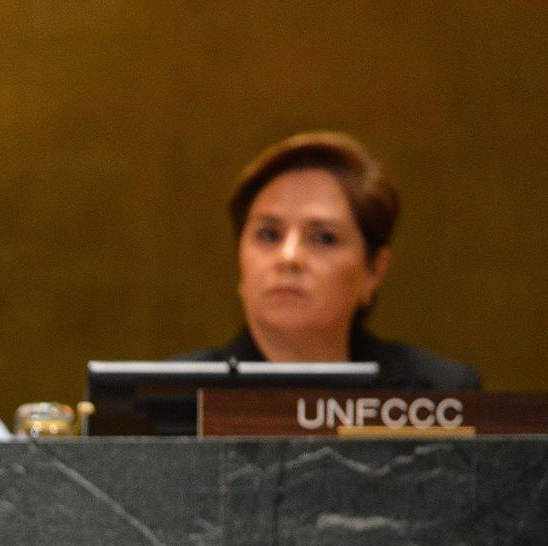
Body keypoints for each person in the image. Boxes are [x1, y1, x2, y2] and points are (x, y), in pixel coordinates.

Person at [178, 131, 478, 388]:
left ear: (374, 270)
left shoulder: (437, 394)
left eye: (323, 238)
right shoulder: (171, 395)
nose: (288, 257)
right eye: (269, 235)